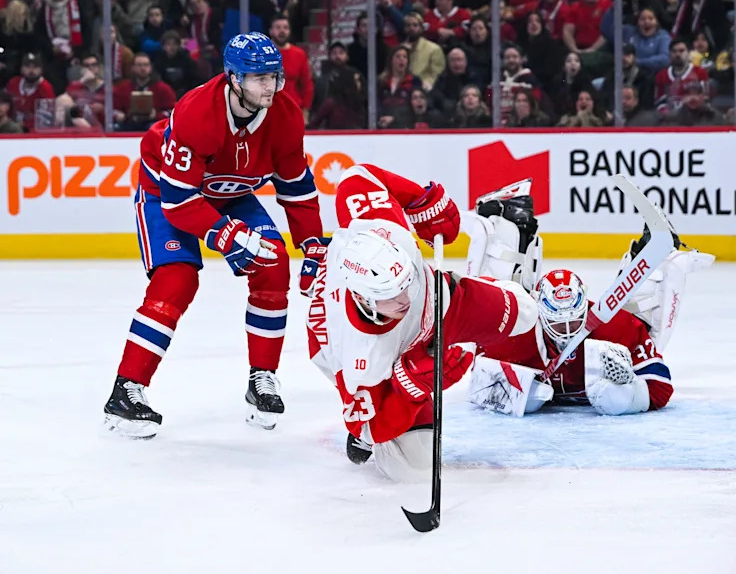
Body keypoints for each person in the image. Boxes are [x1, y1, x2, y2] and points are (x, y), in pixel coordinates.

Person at [103, 32, 325, 439]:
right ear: (233, 79)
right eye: (259, 78)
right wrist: (226, 236)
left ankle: (262, 382)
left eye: (274, 77)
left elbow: (296, 188)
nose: (270, 86)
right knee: (177, 279)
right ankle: (126, 391)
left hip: (231, 193)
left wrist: (312, 244)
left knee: (274, 264)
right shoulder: (198, 112)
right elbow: (178, 200)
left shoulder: (286, 116)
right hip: (166, 193)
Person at [305, 164, 538, 481]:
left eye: (406, 282)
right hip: (386, 360)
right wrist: (410, 385)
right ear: (364, 299)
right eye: (392, 295)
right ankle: (393, 408)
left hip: (438, 302)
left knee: (525, 313)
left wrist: (421, 202)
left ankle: (487, 249)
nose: (405, 296)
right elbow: (368, 426)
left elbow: (357, 176)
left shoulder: (384, 228)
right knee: (415, 468)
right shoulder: (360, 360)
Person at [470, 268, 674, 417]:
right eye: (558, 324)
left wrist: (629, 396)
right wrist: (513, 390)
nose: (568, 332)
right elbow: (479, 382)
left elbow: (662, 386)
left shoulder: (617, 326)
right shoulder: (515, 331)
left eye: (575, 320)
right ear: (540, 313)